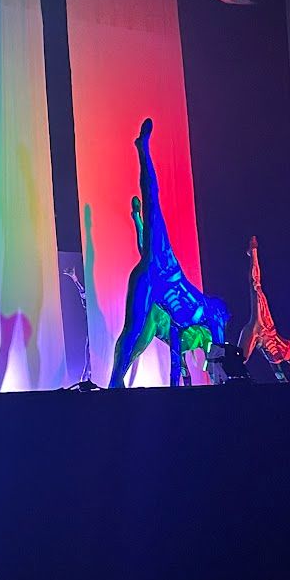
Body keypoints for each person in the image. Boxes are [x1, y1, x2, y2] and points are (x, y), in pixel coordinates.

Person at [108, 118, 228, 388]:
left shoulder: (203, 318)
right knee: (152, 198)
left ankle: (116, 383)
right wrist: (138, 219)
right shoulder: (208, 309)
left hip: (154, 281)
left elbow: (214, 348)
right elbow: (219, 346)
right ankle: (143, 149)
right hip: (165, 272)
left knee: (136, 335)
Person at [238, 235, 290, 381]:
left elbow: (279, 373)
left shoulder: (279, 359)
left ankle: (220, 365)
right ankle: (253, 251)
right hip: (266, 325)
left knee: (239, 361)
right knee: (255, 286)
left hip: (258, 335)